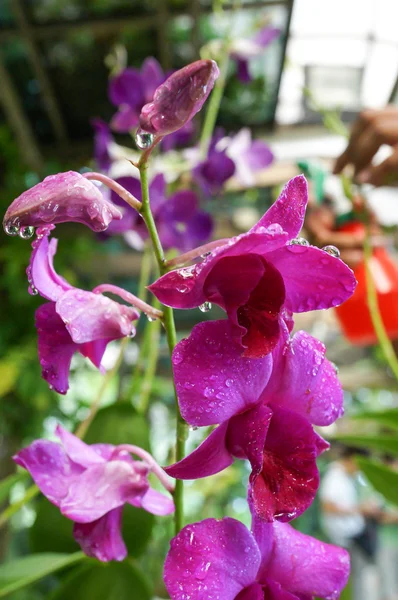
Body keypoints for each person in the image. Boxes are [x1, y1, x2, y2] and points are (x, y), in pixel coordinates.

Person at [320, 447, 381, 600]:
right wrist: (359, 509)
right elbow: (328, 506)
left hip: (354, 535)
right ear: (353, 459)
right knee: (348, 580)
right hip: (343, 538)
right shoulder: (335, 476)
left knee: (358, 577)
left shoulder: (347, 477)